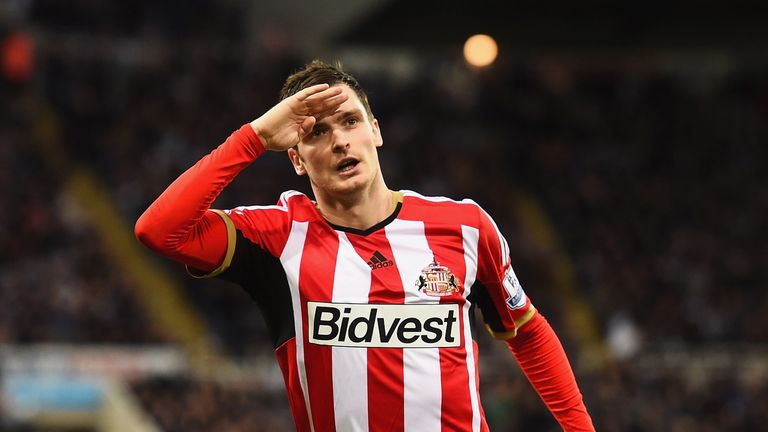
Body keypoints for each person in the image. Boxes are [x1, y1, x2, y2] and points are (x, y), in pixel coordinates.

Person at [135, 60, 594, 431]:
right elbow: (159, 230)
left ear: (374, 131)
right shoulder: (274, 237)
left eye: (350, 121)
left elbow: (528, 330)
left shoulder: (465, 226)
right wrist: (254, 137)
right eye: (316, 132)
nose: (339, 141)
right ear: (294, 157)